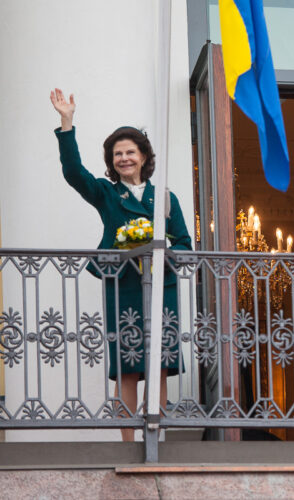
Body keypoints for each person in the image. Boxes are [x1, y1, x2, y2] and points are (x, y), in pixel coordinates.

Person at [50, 89, 192, 441]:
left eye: (130, 152)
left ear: (144, 157)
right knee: (128, 369)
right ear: (112, 162)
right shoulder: (107, 193)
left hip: (161, 289)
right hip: (124, 287)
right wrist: (67, 123)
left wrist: (159, 248)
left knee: (157, 367)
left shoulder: (165, 198)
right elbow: (73, 173)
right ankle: (127, 444)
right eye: (117, 154)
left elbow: (186, 245)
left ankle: (155, 439)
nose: (124, 158)